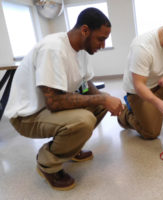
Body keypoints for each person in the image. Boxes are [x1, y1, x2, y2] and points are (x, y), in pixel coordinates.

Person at [4, 8, 124, 190]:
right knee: (84, 120)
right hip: (27, 116)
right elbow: (54, 102)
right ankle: (47, 163)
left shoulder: (82, 49)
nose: (103, 45)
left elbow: (85, 83)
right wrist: (102, 100)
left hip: (48, 108)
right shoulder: (53, 48)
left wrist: (105, 99)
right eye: (100, 39)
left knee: (102, 101)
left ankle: (70, 149)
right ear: (85, 30)